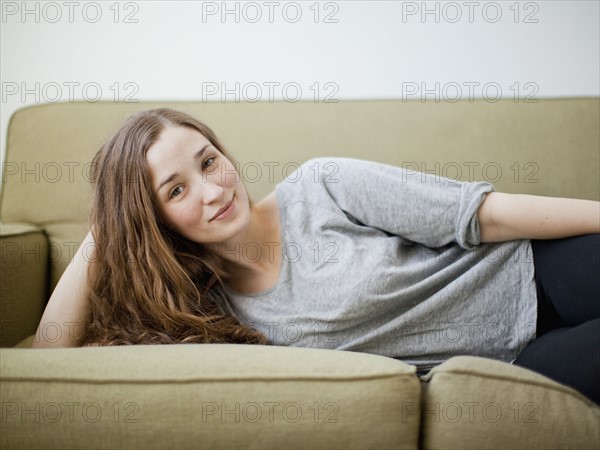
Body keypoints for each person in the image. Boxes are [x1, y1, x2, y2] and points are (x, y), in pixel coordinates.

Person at [32, 108, 600, 405]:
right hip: (513, 364)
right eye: (175, 190)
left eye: (208, 162)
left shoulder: (322, 186)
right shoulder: (207, 315)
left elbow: (484, 215)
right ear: (150, 220)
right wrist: (105, 231)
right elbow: (48, 356)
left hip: (535, 272)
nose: (213, 190)